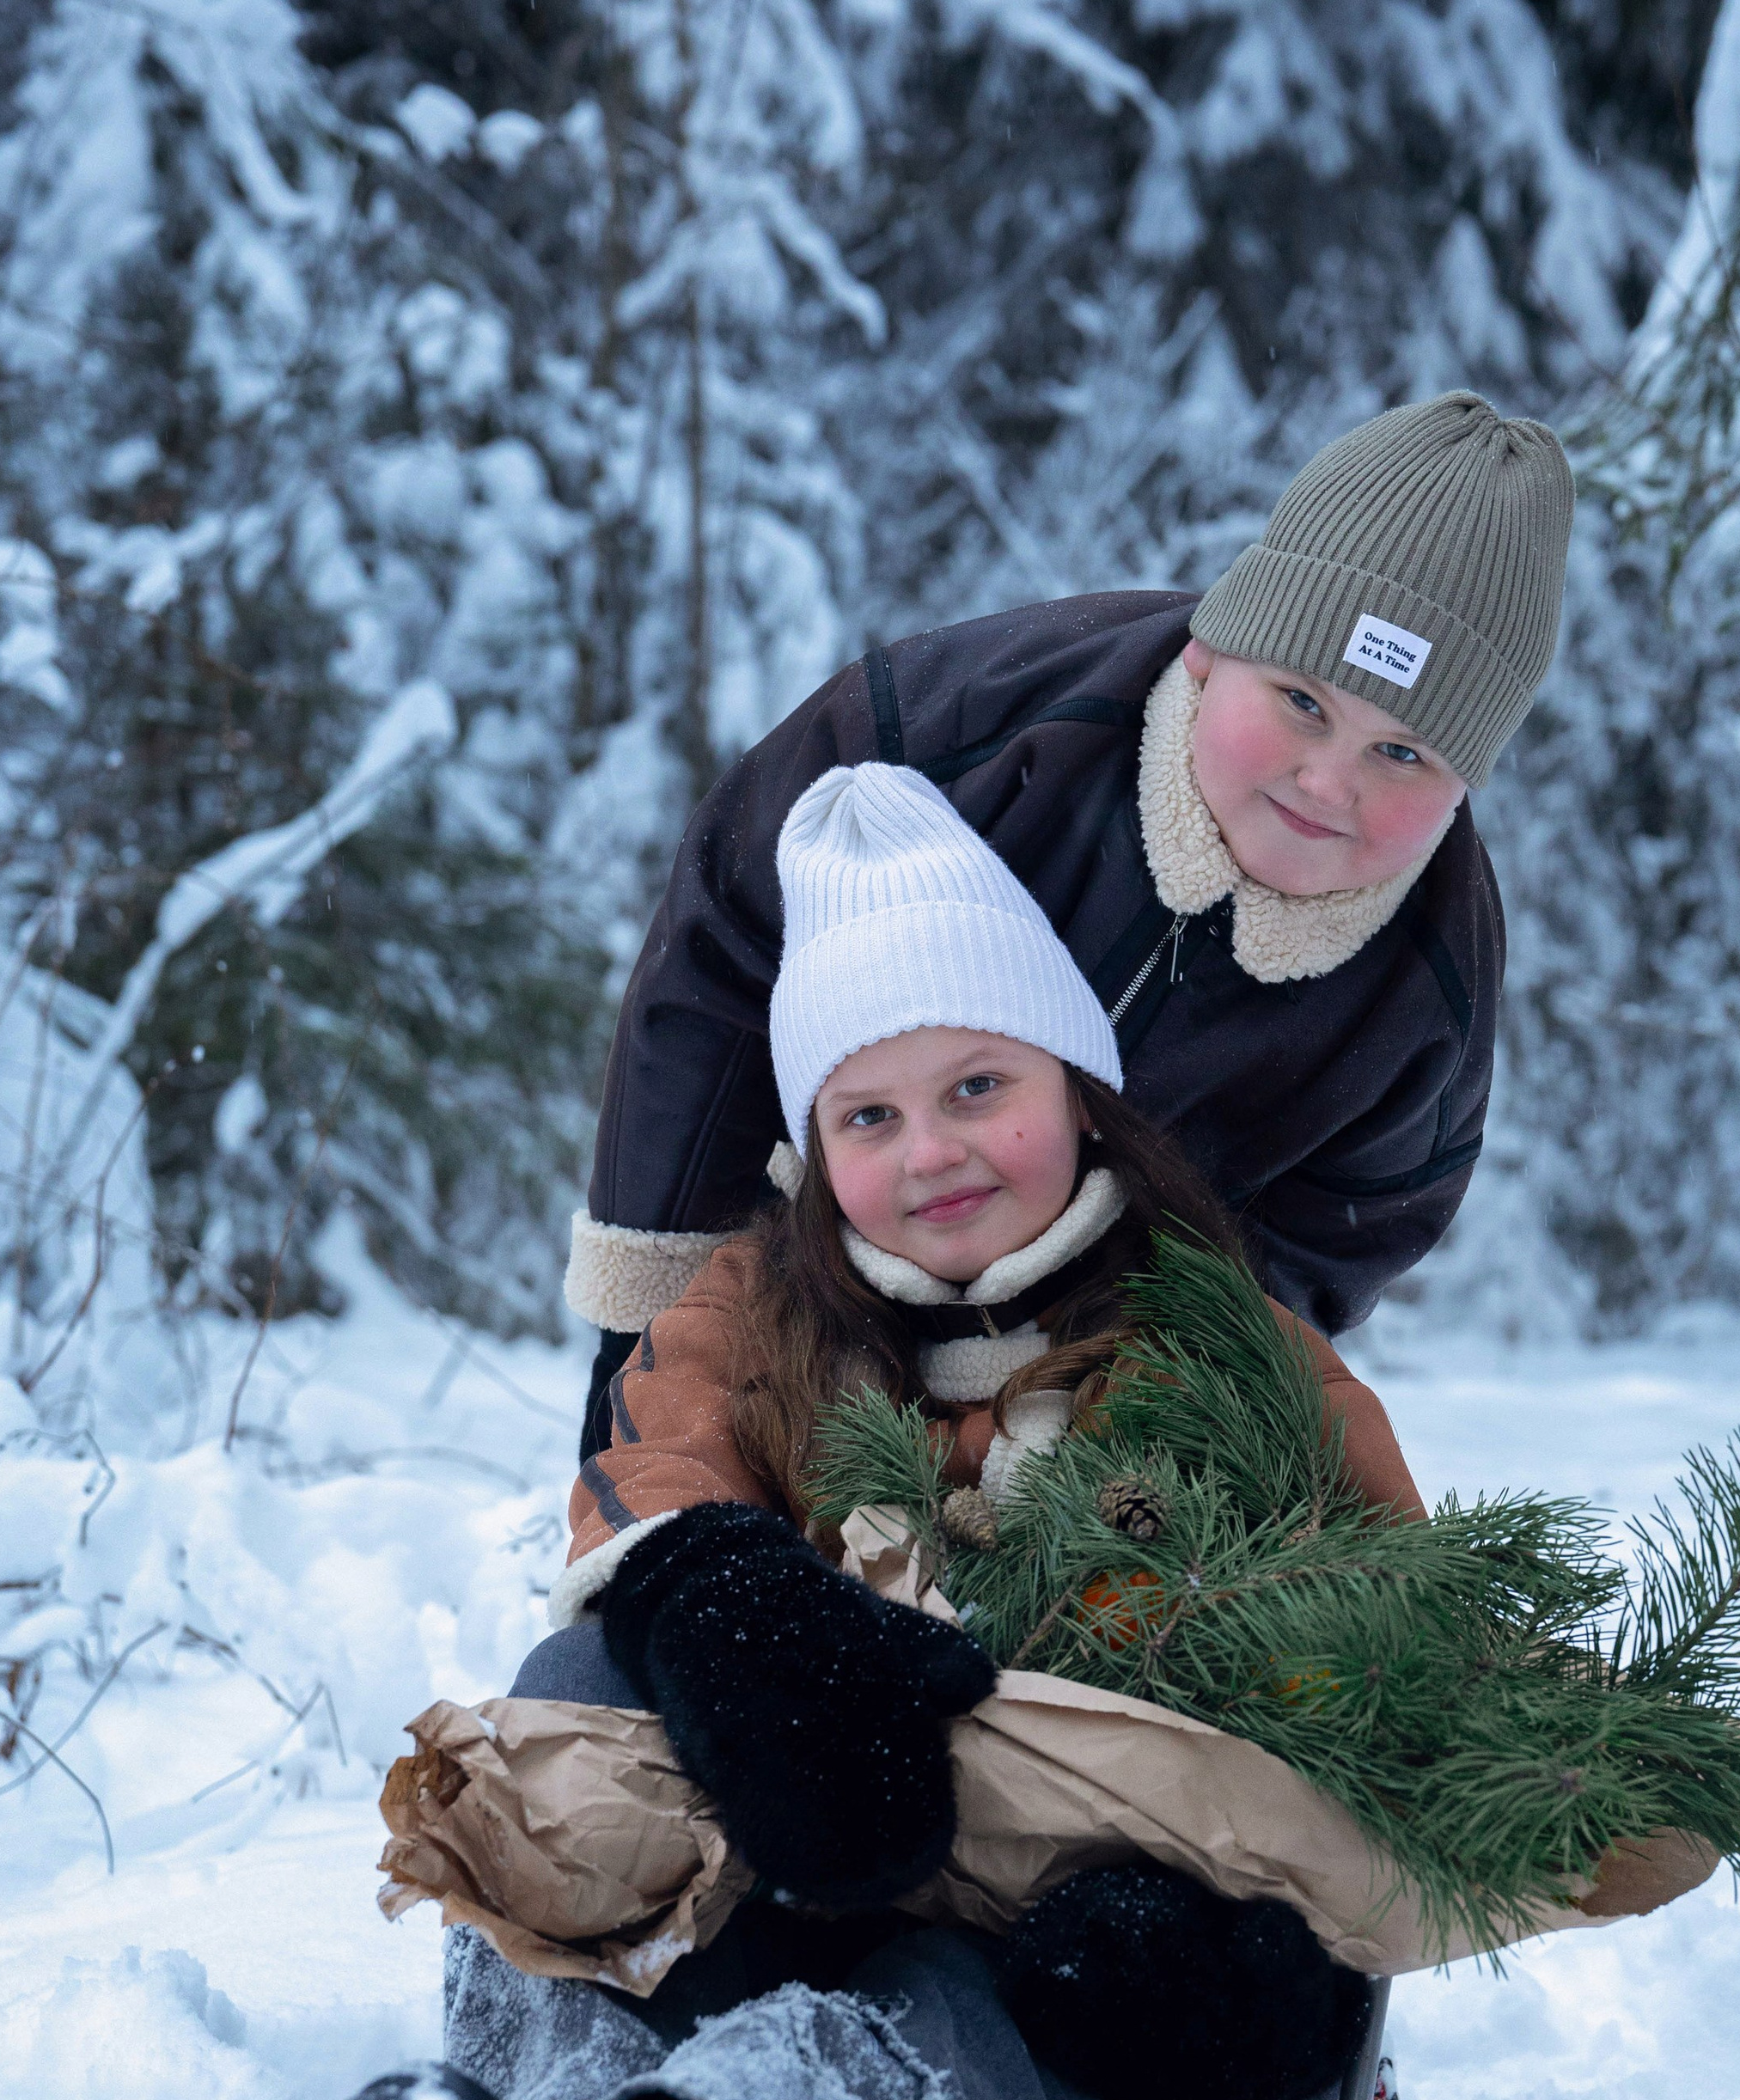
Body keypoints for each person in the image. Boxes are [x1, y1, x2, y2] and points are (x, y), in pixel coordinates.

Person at [314, 763, 1437, 2100]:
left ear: (1077, 1090)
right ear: (809, 1150)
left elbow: (1408, 1674)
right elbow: (657, 1473)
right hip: (809, 1916)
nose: (929, 1156)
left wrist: (1273, 1964)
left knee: (937, 2025)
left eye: (977, 1086)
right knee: (580, 1669)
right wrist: (731, 1618)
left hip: (1098, 2009)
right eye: (867, 1115)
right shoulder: (760, 1327)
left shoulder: (1234, 1361)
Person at [567, 390, 1576, 1470]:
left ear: (1464, 788)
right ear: (1208, 653)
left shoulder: (1424, 993)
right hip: (808, 1249)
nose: (1327, 781)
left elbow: (1322, 1241)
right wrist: (660, 1315)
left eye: (1404, 754)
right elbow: (721, 941)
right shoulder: (973, 731)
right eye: (1302, 702)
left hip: (1085, 1367)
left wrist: (1144, 1435)